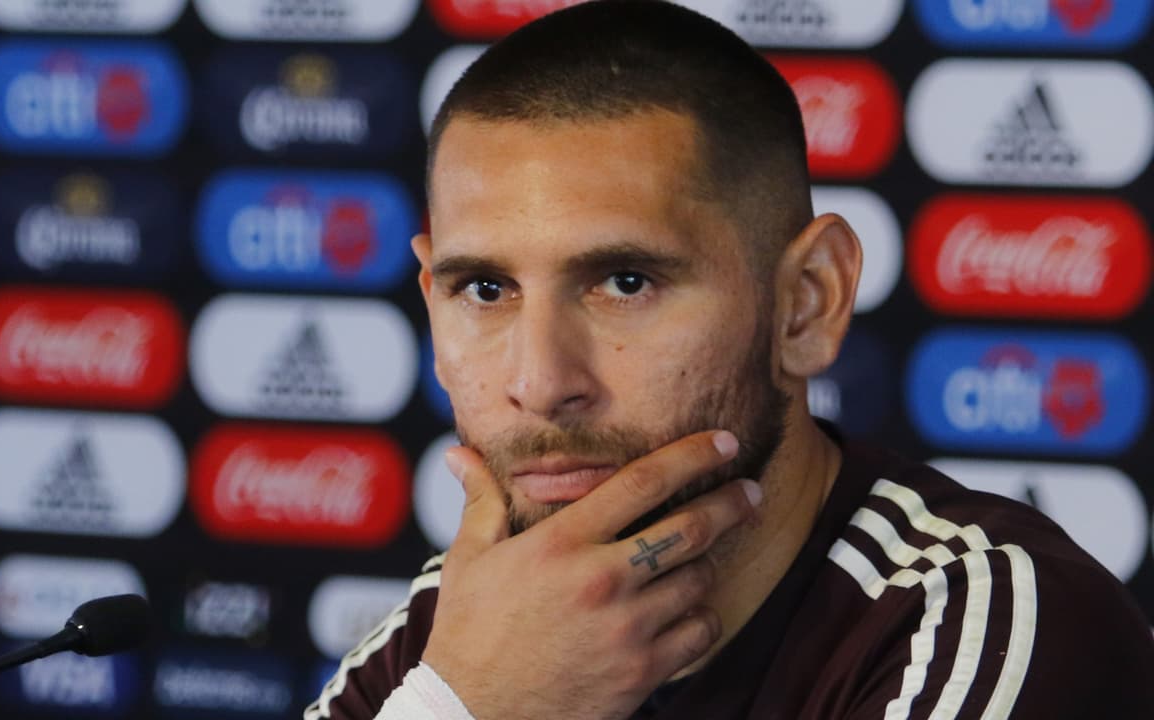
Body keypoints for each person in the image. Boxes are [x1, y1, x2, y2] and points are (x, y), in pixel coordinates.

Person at [305, 1, 1154, 718]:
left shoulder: (987, 616)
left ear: (806, 303)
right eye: (486, 290)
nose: (541, 383)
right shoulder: (471, 630)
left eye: (625, 282)